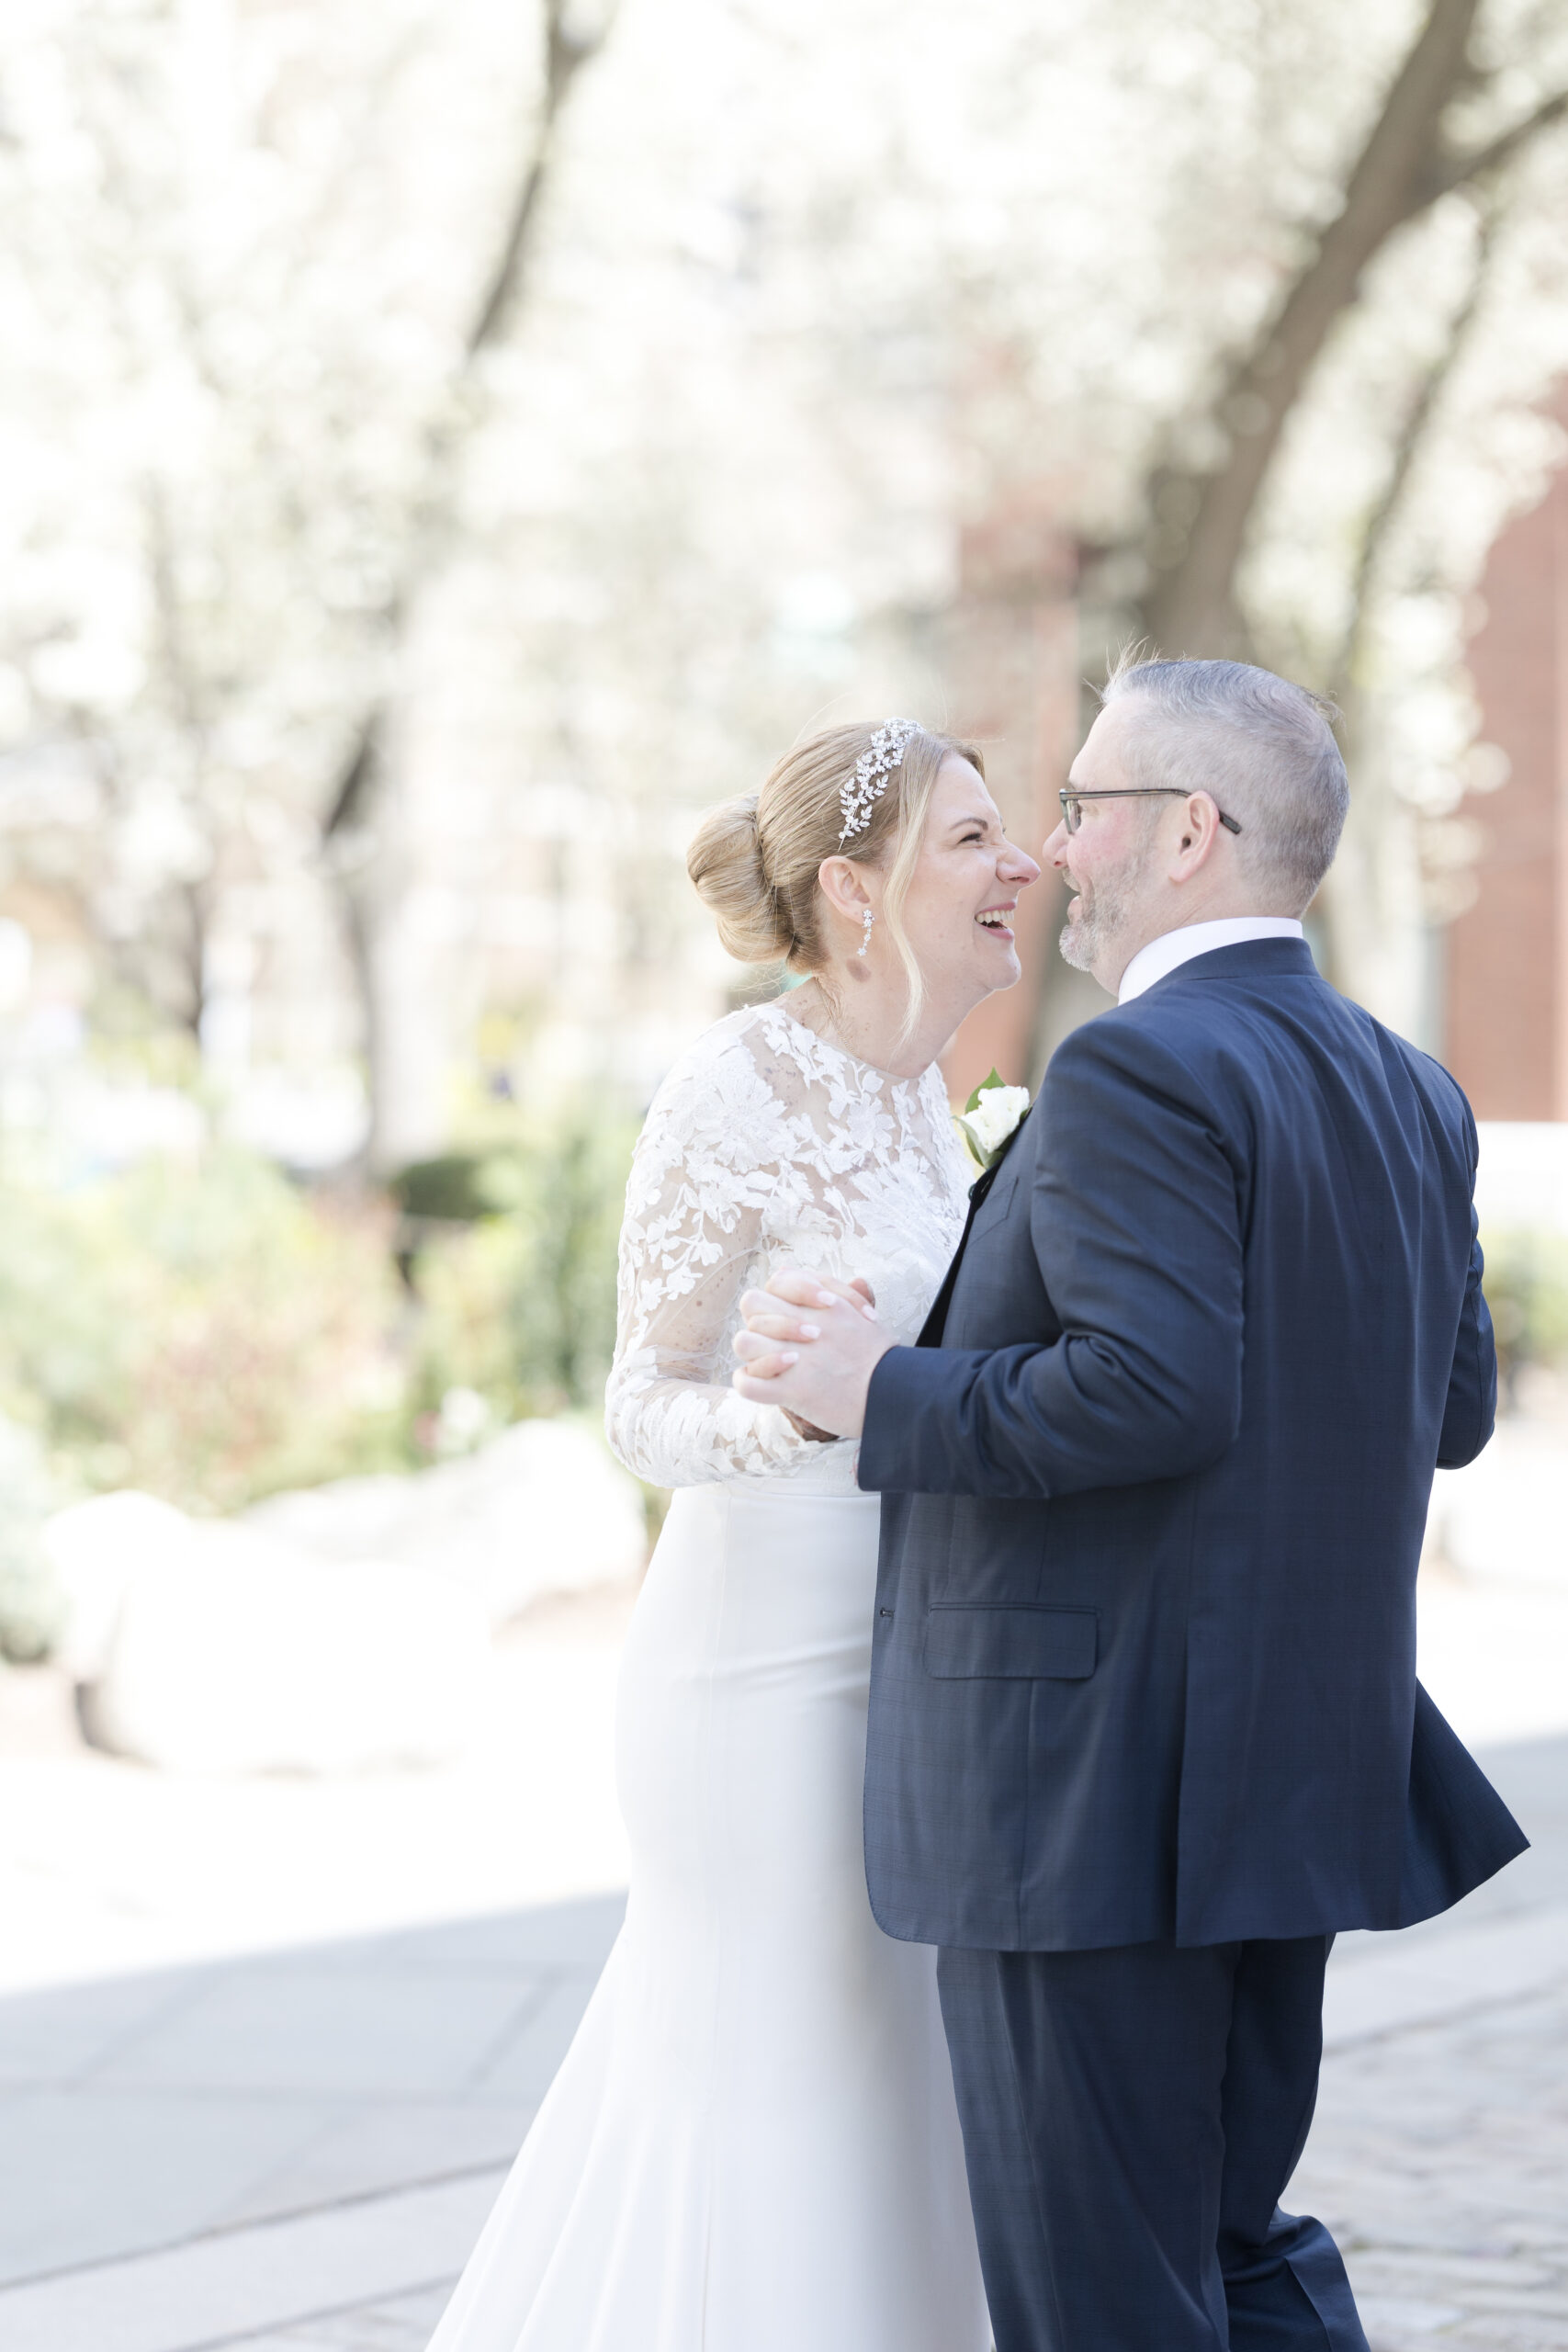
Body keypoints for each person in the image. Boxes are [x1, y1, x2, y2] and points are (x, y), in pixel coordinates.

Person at [736, 655, 1529, 2352]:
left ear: (1188, 833)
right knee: (1228, 2253)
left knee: (1103, 2292)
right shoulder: (1412, 1087)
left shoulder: (1134, 1068)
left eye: (1084, 806)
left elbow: (1149, 1390)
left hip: (1091, 1807)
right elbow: (1450, 1410)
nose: (1054, 849)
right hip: (1291, 1782)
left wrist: (879, 1388)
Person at [424, 718, 1040, 2352]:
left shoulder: (926, 1100)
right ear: (854, 890)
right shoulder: (735, 1084)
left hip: (915, 1665)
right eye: (972, 838)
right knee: (777, 2089)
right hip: (760, 1677)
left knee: (891, 2098)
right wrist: (803, 1424)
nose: (1024, 864)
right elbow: (641, 1400)